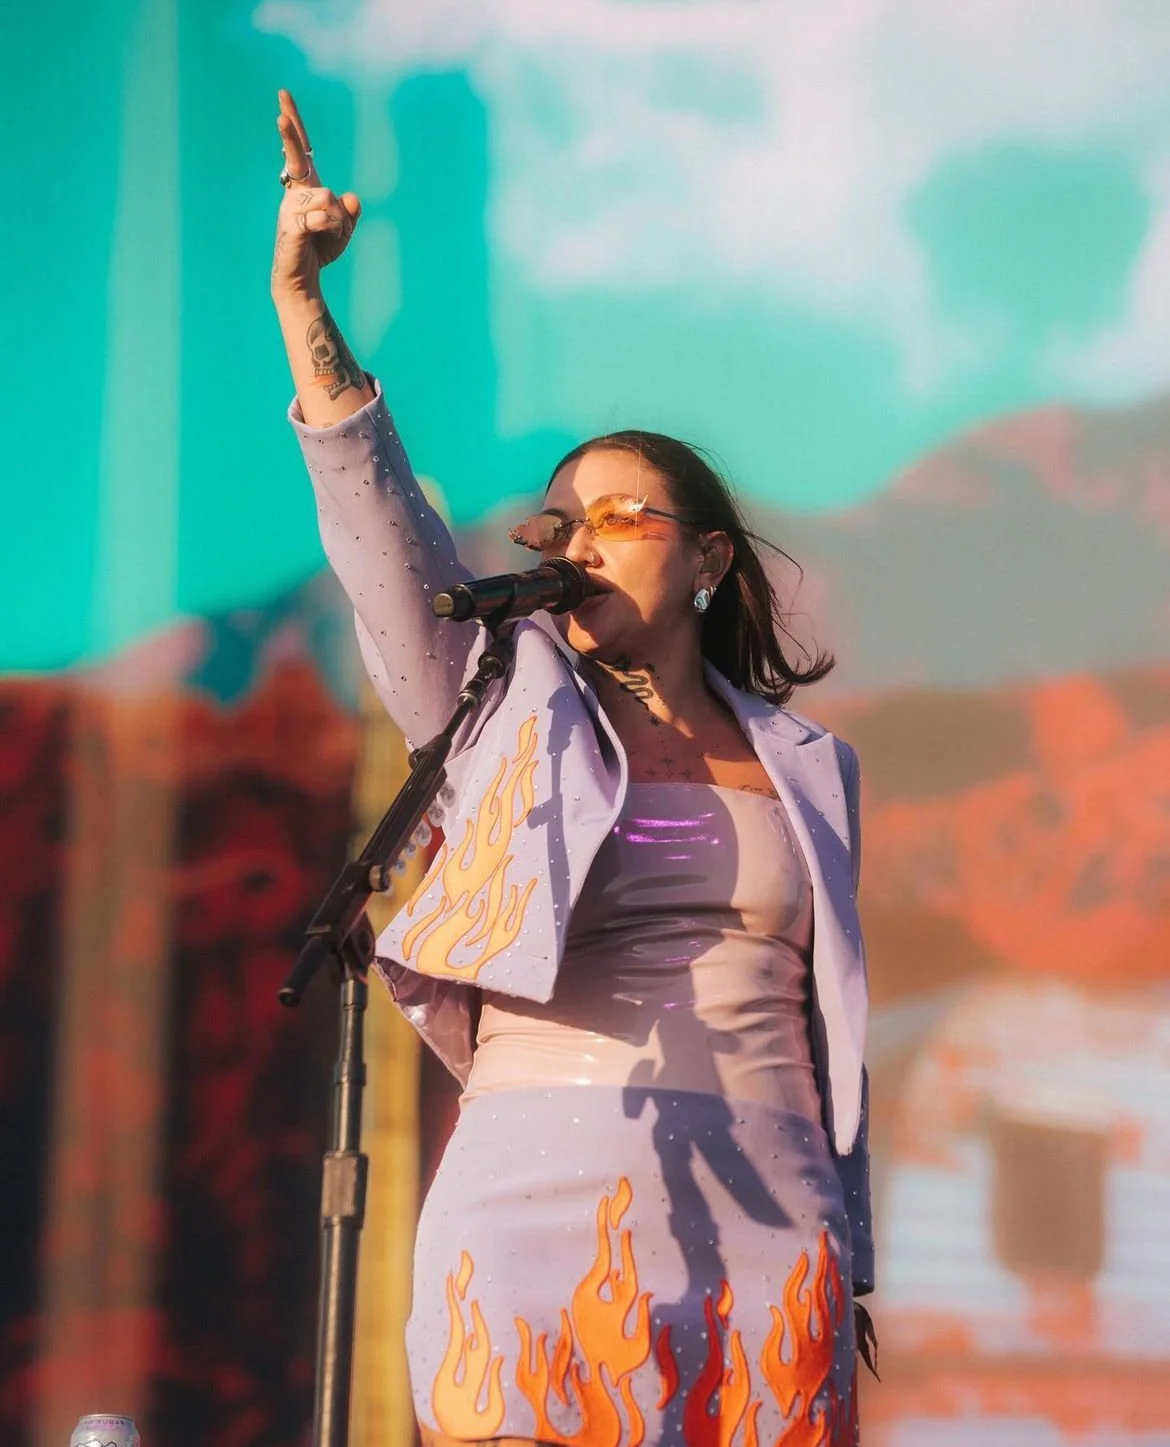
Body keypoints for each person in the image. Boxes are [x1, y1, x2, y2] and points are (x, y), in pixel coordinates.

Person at [272, 89, 875, 1447]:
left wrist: (847, 1229)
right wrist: (306, 311)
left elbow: (829, 1019)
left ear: (708, 559)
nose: (583, 540)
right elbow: (385, 542)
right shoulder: (502, 700)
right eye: (565, 520)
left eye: (624, 515)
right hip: (541, 1181)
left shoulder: (808, 766)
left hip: (773, 1203)